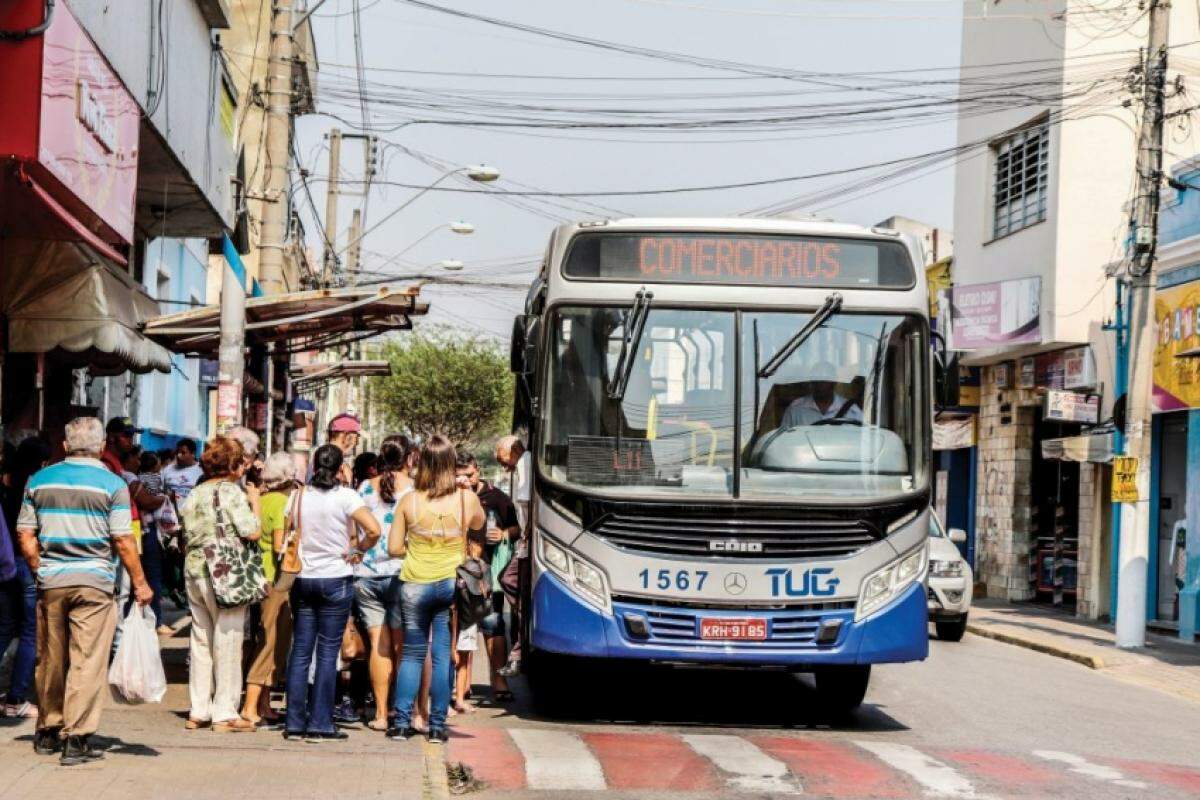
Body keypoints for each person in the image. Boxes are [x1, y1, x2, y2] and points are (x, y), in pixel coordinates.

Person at [15, 417, 152, 765]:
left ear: (65, 445)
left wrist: (40, 568)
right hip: (95, 583)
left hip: (50, 582)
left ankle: (47, 729)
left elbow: (25, 535)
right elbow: (122, 539)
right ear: (102, 446)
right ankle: (75, 738)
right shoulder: (113, 484)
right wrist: (139, 581)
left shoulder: (39, 480)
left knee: (50, 658)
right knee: (87, 659)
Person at [387, 435, 485, 744]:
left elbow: (392, 548)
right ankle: (438, 726)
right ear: (451, 465)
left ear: (421, 463)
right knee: (443, 654)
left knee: (413, 655)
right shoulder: (464, 499)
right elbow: (480, 522)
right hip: (447, 584)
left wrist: (417, 551)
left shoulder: (409, 500)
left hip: (414, 582)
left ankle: (402, 723)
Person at [284, 444, 380, 742]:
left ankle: (295, 722)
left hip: (303, 578)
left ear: (314, 466)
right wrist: (357, 550)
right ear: (340, 468)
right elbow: (374, 530)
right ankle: (321, 723)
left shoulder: (297, 496)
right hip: (336, 579)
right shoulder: (347, 497)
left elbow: (289, 530)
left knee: (300, 651)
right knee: (327, 653)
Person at [179, 436, 261, 733]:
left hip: (194, 569)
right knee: (228, 639)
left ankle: (198, 709)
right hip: (224, 572)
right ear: (234, 465)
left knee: (201, 639)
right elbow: (251, 532)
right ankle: (224, 711)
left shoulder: (195, 493)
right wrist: (255, 503)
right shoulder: (231, 493)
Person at [355, 437, 411, 731]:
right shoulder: (415, 490)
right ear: (409, 458)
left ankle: (378, 713)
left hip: (365, 574)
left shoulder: (364, 487)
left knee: (379, 644)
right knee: (403, 647)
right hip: (403, 574)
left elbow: (353, 531)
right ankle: (399, 712)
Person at [455, 452, 518, 702]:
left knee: (493, 626)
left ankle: (499, 680)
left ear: (477, 470)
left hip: (487, 571)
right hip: (458, 571)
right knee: (462, 629)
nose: (466, 480)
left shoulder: (496, 497)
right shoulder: (451, 495)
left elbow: (516, 528)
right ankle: (462, 685)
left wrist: (502, 534)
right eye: (459, 476)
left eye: (469, 475)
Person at [241, 452, 298, 726]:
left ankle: (263, 704)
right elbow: (279, 545)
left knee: (266, 637)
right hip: (275, 579)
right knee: (271, 641)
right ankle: (251, 706)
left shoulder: (261, 500)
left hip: (256, 575)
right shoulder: (282, 504)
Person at [0, 437, 48, 720]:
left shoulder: (4, 483)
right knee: (30, 630)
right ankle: (17, 698)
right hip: (24, 560)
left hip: (3, 563)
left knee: (5, 627)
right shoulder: (34, 486)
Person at [494, 434, 531, 678]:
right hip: (524, 543)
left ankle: (519, 649)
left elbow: (528, 504)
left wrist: (525, 535)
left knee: (509, 579)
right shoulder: (519, 468)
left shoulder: (526, 464)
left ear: (512, 450)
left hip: (528, 543)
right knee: (508, 580)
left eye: (500, 455)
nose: (499, 461)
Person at [135, 451, 169, 632]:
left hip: (140, 528)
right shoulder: (153, 479)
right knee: (153, 574)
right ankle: (155, 620)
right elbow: (152, 500)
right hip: (149, 530)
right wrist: (164, 498)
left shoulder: (138, 478)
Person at [779, 361, 863, 428]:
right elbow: (783, 441)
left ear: (834, 382)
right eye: (817, 379)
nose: (820, 384)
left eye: (825, 380)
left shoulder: (852, 411)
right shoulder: (795, 410)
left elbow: (861, 440)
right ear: (811, 381)